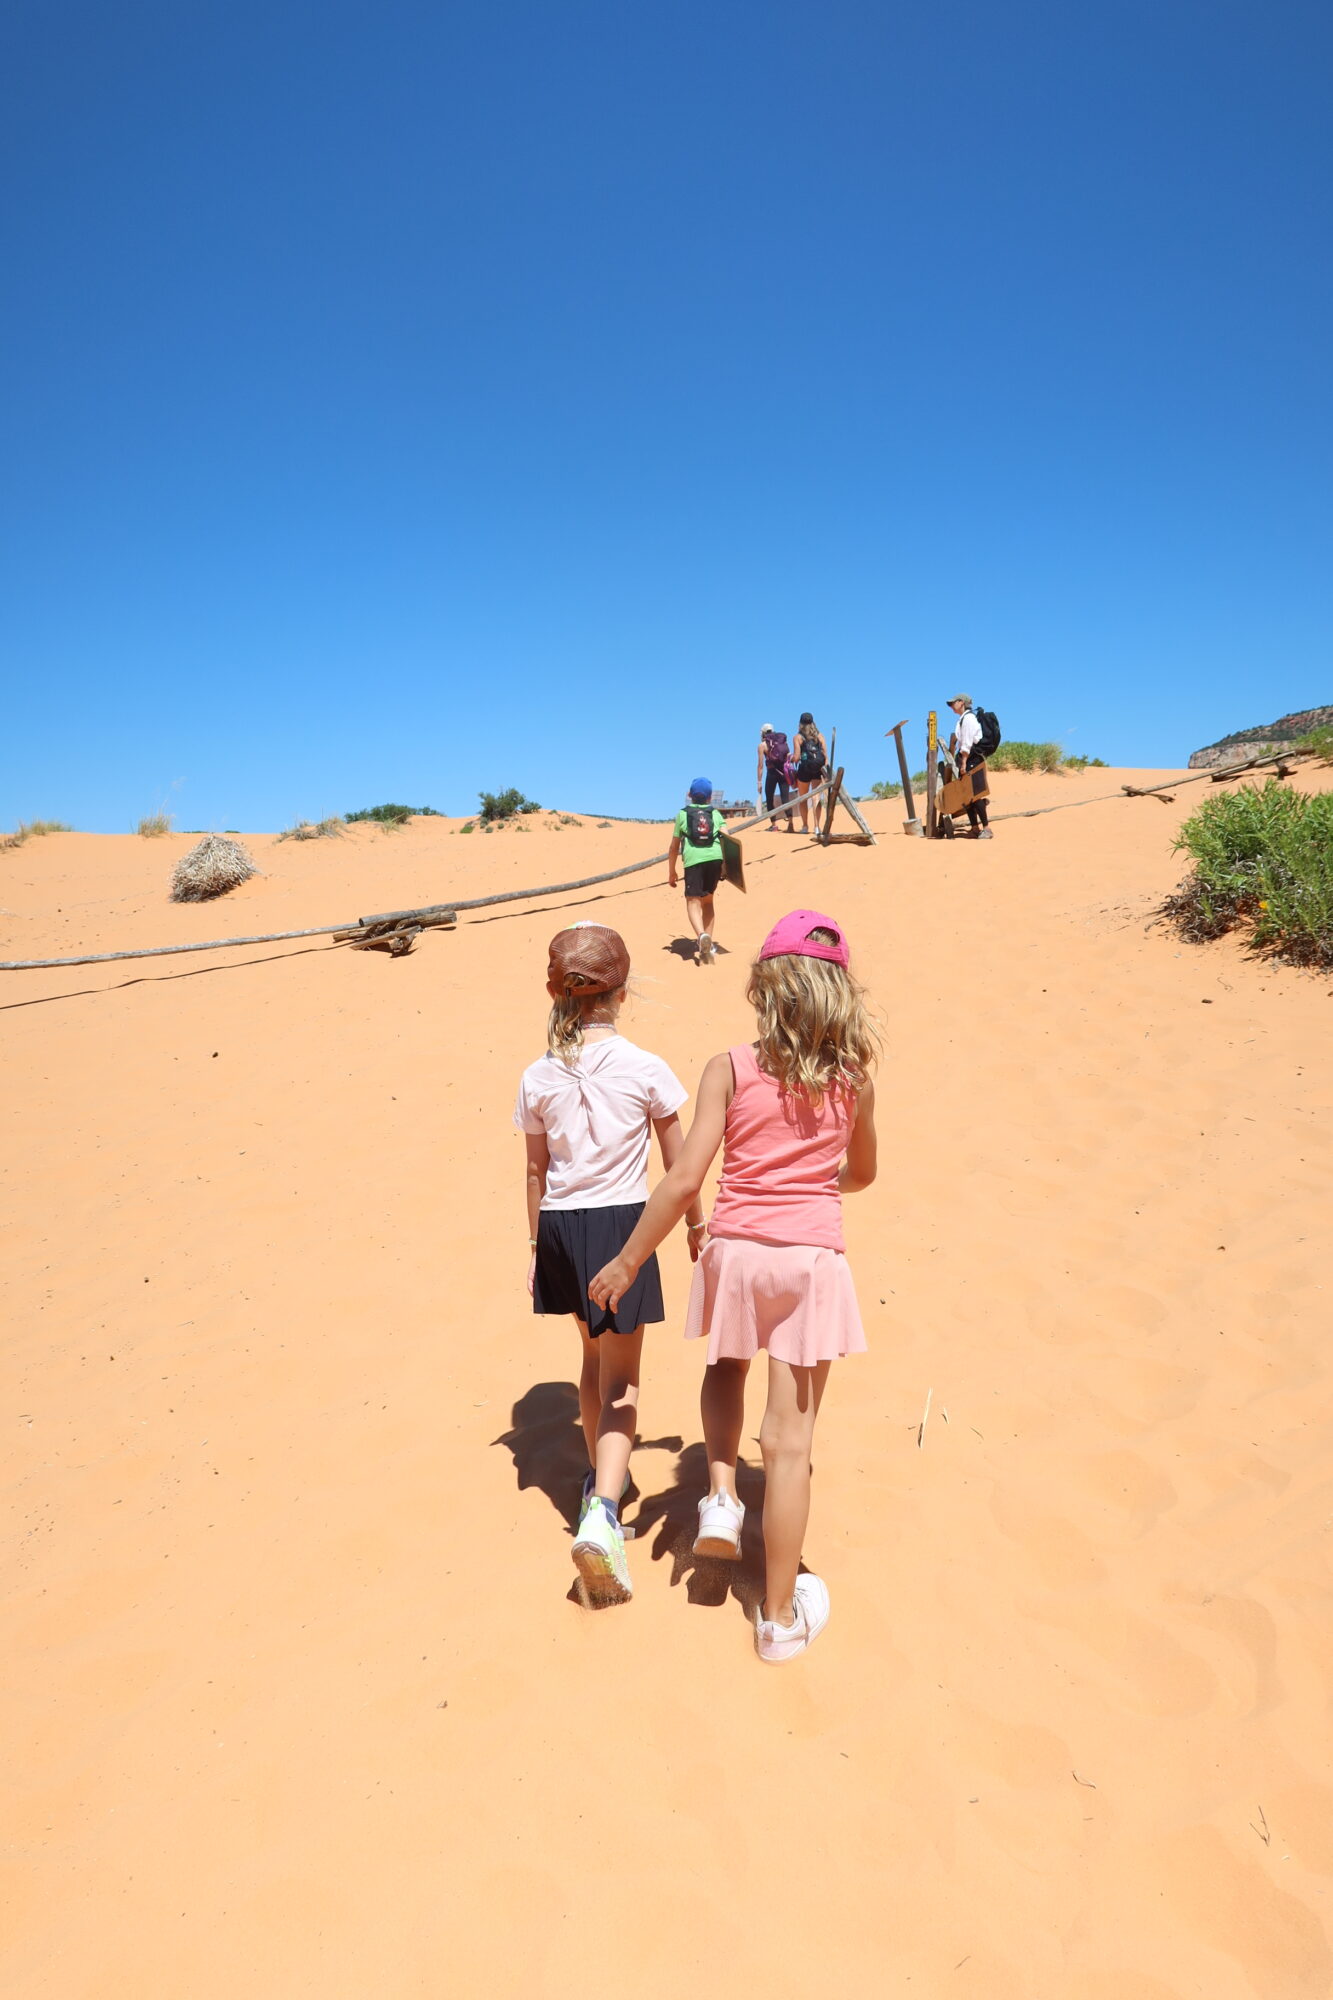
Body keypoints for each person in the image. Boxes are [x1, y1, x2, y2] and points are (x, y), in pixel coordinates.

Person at [590, 909, 878, 1662]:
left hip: (737, 1251)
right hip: (811, 1262)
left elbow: (686, 1178)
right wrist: (819, 1181)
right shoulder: (853, 1082)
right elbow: (863, 1174)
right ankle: (778, 1620)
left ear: (765, 989)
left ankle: (720, 1497)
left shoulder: (728, 1066)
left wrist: (626, 1259)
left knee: (725, 1365)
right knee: (789, 1445)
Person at [514, 922, 706, 1606]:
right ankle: (601, 1512)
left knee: (594, 1360)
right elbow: (679, 1164)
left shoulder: (538, 1074)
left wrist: (539, 1249)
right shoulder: (646, 1067)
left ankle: (601, 1480)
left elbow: (535, 1173)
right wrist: (694, 1224)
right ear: (622, 992)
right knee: (623, 1380)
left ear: (552, 991)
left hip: (561, 1230)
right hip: (624, 1226)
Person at [668, 777, 725, 964]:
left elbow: (674, 847)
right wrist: (726, 866)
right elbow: (727, 838)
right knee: (708, 901)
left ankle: (701, 936)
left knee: (693, 901)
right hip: (715, 858)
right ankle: (708, 943)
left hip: (693, 860)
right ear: (710, 798)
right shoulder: (715, 814)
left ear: (689, 795)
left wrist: (672, 871)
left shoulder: (682, 815)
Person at [947, 693, 992, 838]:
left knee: (975, 795)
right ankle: (975, 827)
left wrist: (964, 762)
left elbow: (967, 742)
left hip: (971, 758)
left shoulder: (968, 718)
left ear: (961, 702)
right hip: (967, 757)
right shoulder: (963, 719)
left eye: (953, 703)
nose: (951, 706)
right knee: (967, 796)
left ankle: (986, 828)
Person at [793, 712, 829, 835]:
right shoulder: (820, 736)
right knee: (816, 798)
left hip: (804, 769)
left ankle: (804, 826)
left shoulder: (798, 737)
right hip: (817, 768)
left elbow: (797, 757)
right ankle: (817, 827)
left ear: (800, 723)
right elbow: (825, 755)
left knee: (803, 798)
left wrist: (791, 758)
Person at [756, 723, 795, 833]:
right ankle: (791, 824)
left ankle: (774, 826)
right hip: (783, 772)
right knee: (785, 799)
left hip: (772, 773)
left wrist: (759, 782)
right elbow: (788, 756)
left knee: (769, 798)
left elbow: (760, 766)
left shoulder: (762, 745)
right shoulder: (782, 741)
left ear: (763, 733)